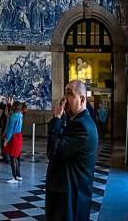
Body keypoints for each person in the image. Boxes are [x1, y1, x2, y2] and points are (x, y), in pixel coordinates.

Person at [45, 80, 99, 221]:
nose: (64, 99)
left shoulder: (82, 127)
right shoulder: (77, 121)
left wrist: (57, 119)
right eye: (65, 93)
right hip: (66, 194)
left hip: (70, 198)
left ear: (81, 99)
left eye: (69, 94)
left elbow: (53, 152)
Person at [4, 101, 25, 183]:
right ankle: (19, 175)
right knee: (17, 157)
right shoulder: (20, 115)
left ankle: (14, 177)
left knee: (12, 158)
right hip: (19, 136)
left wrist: (6, 140)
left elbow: (10, 130)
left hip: (14, 137)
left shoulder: (13, 116)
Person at [0, 95, 11, 163]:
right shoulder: (7, 106)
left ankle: (6, 157)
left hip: (6, 127)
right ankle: (4, 157)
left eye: (8, 99)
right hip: (4, 127)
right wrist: (0, 98)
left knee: (4, 142)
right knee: (3, 143)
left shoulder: (10, 107)